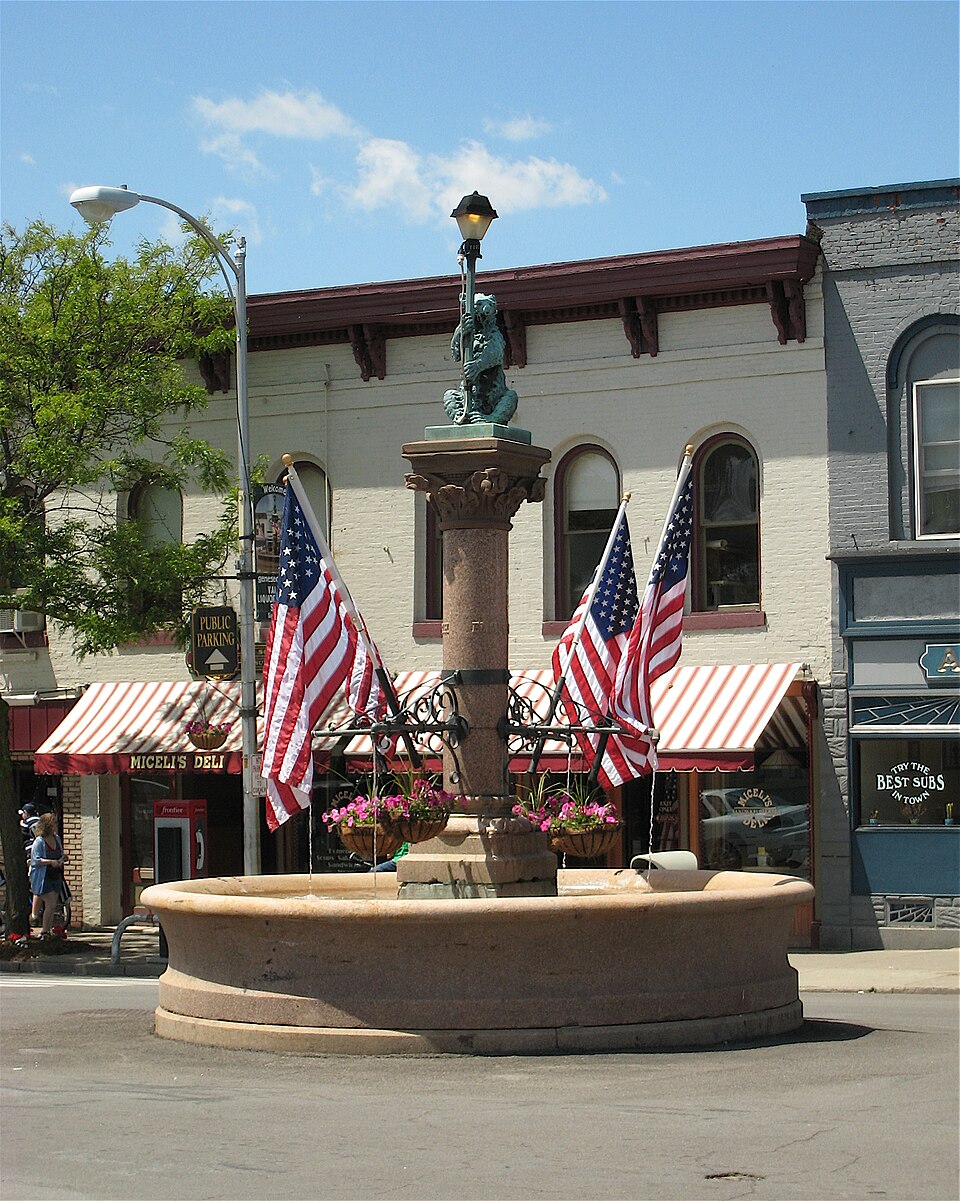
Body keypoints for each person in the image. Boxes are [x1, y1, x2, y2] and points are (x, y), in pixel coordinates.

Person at [29, 813, 67, 937]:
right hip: (43, 876)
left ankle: (48, 930)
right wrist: (50, 862)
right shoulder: (39, 842)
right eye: (54, 823)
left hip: (55, 875)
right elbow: (35, 860)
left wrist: (62, 859)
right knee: (50, 903)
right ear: (48, 825)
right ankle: (44, 931)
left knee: (52, 904)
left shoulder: (57, 839)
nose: (56, 825)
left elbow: (60, 853)